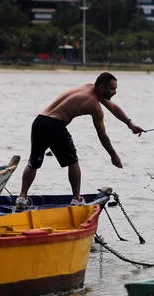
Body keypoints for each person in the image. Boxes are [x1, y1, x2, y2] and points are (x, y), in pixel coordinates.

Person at [16, 72, 144, 207]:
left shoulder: (88, 87)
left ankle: (22, 198)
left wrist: (129, 123)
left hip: (39, 121)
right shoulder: (94, 105)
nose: (115, 92)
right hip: (55, 125)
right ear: (101, 87)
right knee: (73, 162)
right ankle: (77, 199)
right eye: (112, 89)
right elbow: (102, 135)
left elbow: (112, 107)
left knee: (33, 163)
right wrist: (113, 155)